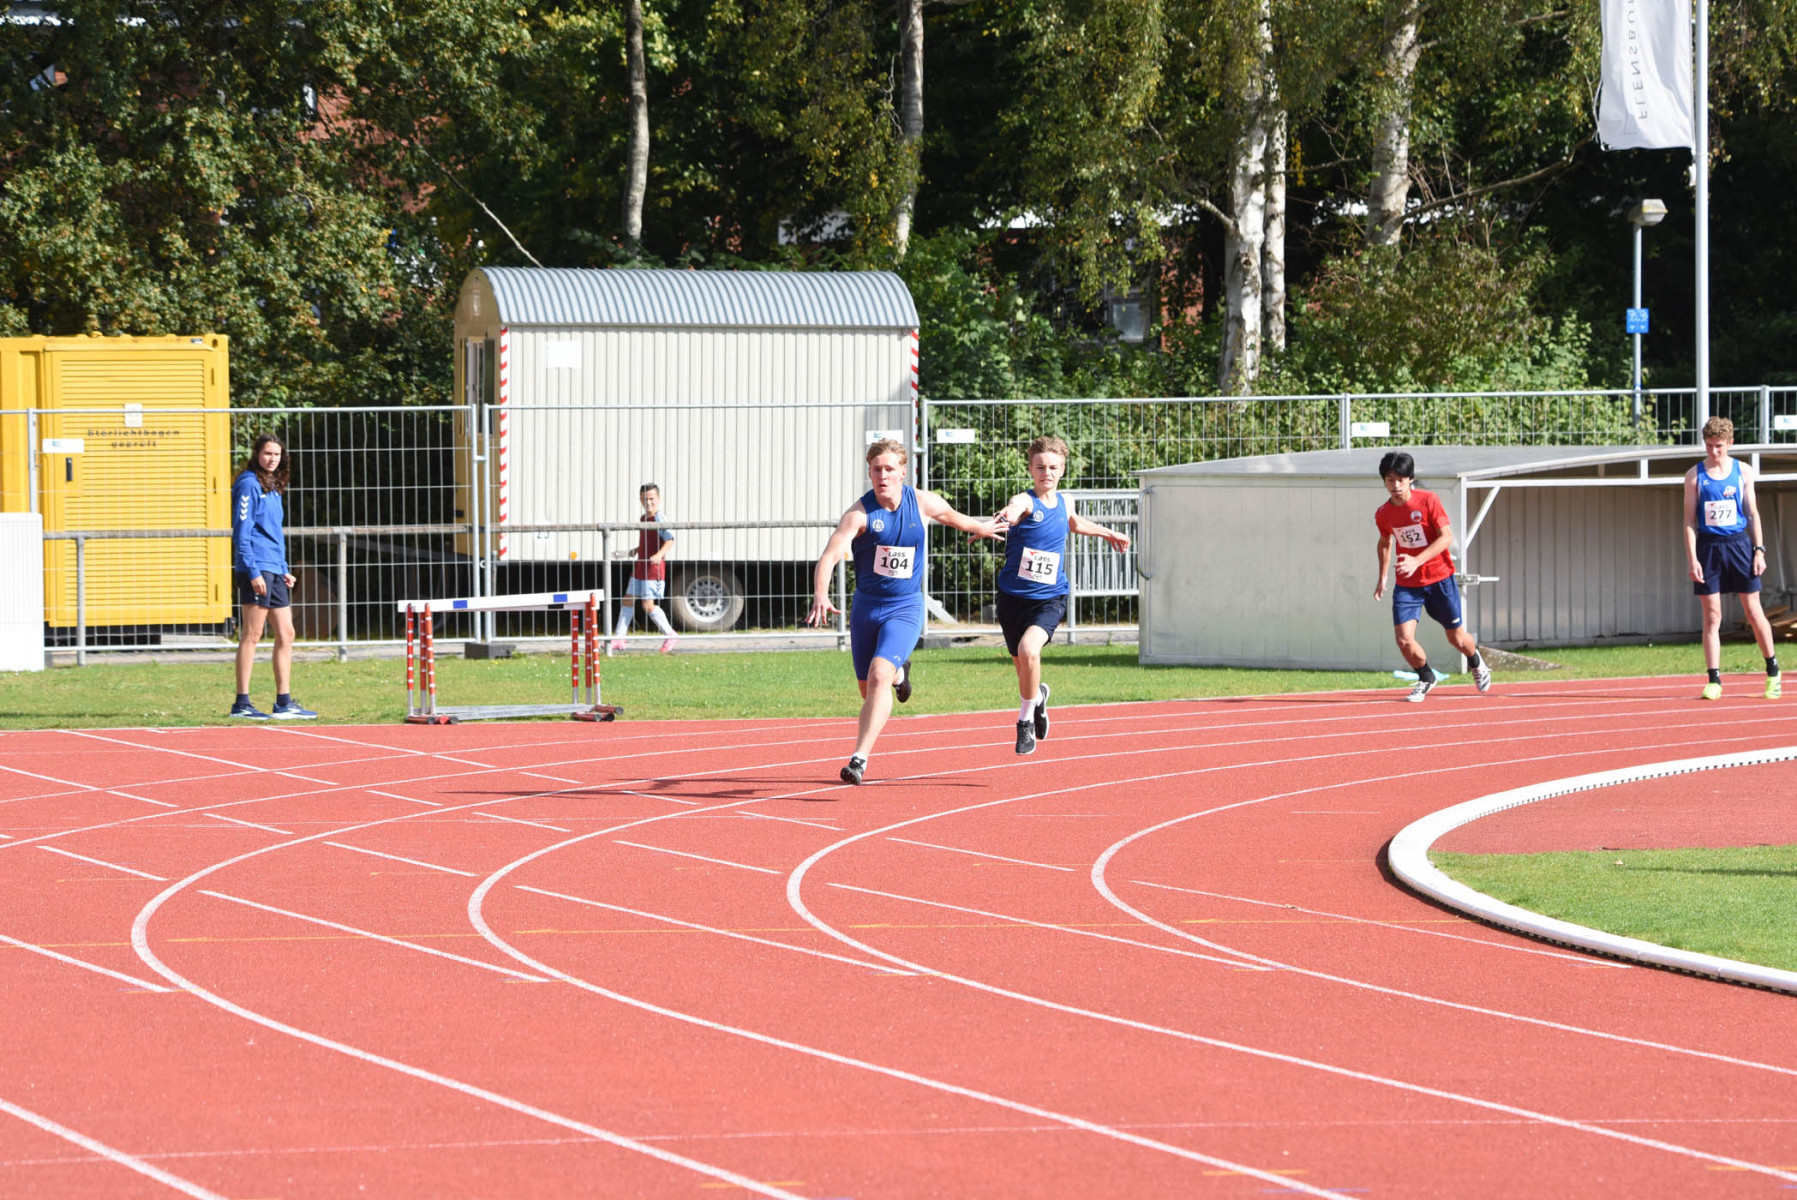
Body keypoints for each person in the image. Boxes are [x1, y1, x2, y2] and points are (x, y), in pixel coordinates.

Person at [805, 438, 999, 784]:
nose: (883, 476)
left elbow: (953, 517)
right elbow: (829, 556)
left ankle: (858, 759)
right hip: (866, 609)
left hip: (905, 606)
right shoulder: (859, 515)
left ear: (903, 472)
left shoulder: (922, 502)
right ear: (869, 473)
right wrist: (821, 594)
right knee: (869, 689)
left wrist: (982, 527)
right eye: (876, 470)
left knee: (878, 675)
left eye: (889, 469)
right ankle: (900, 675)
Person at [990, 436, 1131, 754]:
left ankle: (1024, 722)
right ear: (1030, 469)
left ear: (1063, 469)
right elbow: (1014, 510)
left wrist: (1109, 533)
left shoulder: (1065, 501)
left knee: (1029, 650)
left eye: (1053, 467)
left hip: (1050, 598)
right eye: (1040, 467)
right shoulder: (1025, 500)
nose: (1047, 473)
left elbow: (1074, 522)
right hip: (1013, 598)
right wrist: (1000, 519)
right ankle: (1038, 698)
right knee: (1024, 670)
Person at [1372, 451, 1492, 702]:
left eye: (1400, 480)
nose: (1396, 486)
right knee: (1404, 640)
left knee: (1456, 638)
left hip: (1439, 579)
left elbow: (1446, 538)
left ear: (1410, 479)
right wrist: (1382, 576)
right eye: (1390, 480)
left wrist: (1416, 560)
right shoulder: (1383, 514)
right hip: (1407, 584)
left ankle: (1475, 660)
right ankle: (1426, 677)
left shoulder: (1428, 501)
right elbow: (1385, 542)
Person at [1684, 417, 1780, 700]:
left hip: (1739, 545)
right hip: (1708, 547)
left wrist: (1759, 550)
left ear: (1730, 443)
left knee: (1753, 611)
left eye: (1719, 446)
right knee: (1712, 615)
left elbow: (1752, 513)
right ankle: (1714, 680)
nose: (1714, 452)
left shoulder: (1743, 471)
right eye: (1709, 446)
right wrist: (1692, 559)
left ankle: (1773, 671)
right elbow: (1688, 521)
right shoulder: (1694, 476)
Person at [229, 434, 315, 720]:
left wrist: (283, 568)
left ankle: (283, 702)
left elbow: (274, 533)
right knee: (252, 634)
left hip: (274, 568)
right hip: (257, 567)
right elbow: (242, 533)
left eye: (276, 454)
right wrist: (253, 571)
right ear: (257, 454)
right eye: (267, 453)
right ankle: (242, 703)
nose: (272, 459)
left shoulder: (274, 485)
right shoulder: (248, 484)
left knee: (286, 633)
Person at [610, 482, 679, 653]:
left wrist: (659, 555)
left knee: (648, 605)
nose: (648, 503)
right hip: (640, 567)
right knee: (628, 599)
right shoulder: (643, 519)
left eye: (651, 499)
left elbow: (669, 540)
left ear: (658, 499)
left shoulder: (659, 518)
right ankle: (619, 638)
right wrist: (632, 551)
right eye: (645, 499)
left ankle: (670, 634)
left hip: (652, 569)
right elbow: (647, 542)